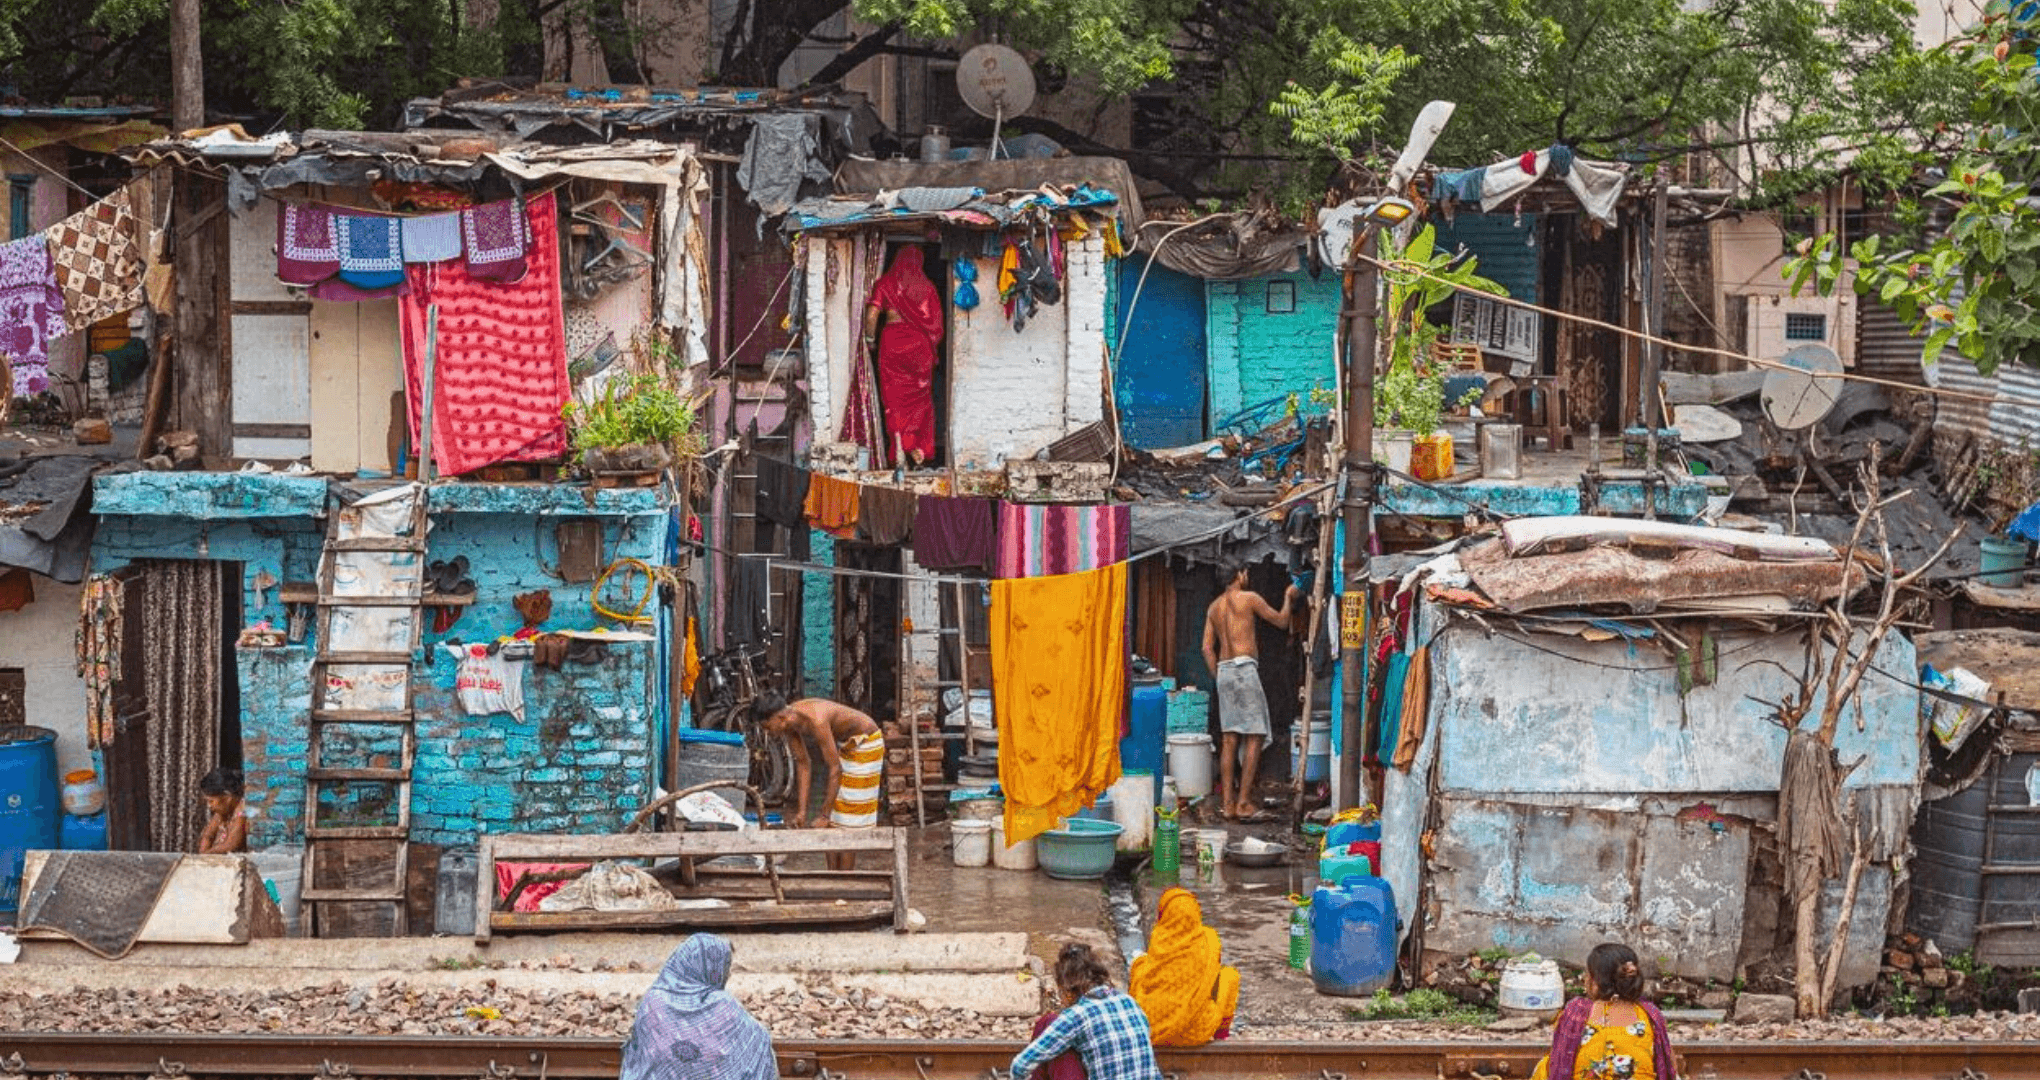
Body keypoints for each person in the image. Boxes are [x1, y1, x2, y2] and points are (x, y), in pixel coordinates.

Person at [1200, 559, 1299, 821]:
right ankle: (1243, 802)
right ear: (1239, 575)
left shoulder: (1214, 608)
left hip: (1225, 671)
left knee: (1230, 739)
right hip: (1245, 670)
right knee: (1255, 735)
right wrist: (1288, 597)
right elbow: (1280, 621)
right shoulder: (1249, 598)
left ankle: (1228, 805)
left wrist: (1218, 674)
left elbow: (1206, 648)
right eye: (1245, 572)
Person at [751, 691, 885, 870]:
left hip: (866, 744)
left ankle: (846, 884)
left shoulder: (817, 720)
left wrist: (824, 814)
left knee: (848, 825)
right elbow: (803, 764)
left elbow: (834, 768)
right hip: (847, 745)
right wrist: (802, 812)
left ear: (780, 717)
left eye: (767, 727)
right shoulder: (789, 723)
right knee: (832, 824)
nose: (768, 732)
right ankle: (833, 879)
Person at [619, 934, 777, 1080]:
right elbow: (758, 1039)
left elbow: (640, 1054)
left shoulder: (652, 1002)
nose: (727, 975)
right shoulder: (724, 1005)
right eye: (725, 967)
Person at [1011, 943, 1163, 1080]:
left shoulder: (1078, 1015)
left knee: (1050, 1027)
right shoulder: (1130, 1002)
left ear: (1067, 990)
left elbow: (1021, 1065)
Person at [1530, 943, 1678, 1080]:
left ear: (1595, 981)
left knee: (1545, 1065)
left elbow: (1559, 1061)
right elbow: (1669, 1066)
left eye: (1587, 974)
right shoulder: (1650, 1015)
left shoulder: (1576, 1012)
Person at [863, 246, 944, 466]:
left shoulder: (886, 283)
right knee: (920, 398)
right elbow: (937, 328)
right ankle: (917, 445)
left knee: (894, 397)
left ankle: (900, 445)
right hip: (920, 348)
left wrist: (869, 341)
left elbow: (872, 314)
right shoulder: (927, 288)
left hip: (893, 343)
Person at [1128, 887, 1240, 1047]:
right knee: (1230, 976)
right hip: (1195, 1031)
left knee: (1139, 964)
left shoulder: (1159, 937)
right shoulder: (1209, 939)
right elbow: (1213, 973)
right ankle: (1221, 1034)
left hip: (1152, 1027)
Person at [197, 768, 248, 854]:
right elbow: (208, 835)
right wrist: (203, 851)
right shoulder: (222, 812)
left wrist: (208, 854)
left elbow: (230, 845)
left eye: (211, 801)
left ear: (228, 798)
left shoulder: (241, 814)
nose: (209, 806)